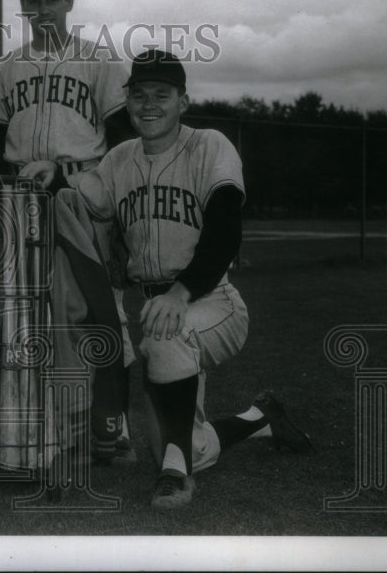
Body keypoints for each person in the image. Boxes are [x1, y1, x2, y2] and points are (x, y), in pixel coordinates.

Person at [36, 49, 313, 509]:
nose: (149, 104)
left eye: (161, 95)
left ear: (183, 101)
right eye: (139, 95)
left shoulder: (210, 145)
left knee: (166, 350)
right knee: (187, 446)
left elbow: (226, 231)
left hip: (212, 300)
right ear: (127, 103)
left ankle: (177, 481)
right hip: (155, 306)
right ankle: (261, 417)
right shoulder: (120, 158)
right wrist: (52, 179)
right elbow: (84, 200)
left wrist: (181, 294)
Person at [0, 0, 135, 462]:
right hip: (23, 201)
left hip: (81, 193)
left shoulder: (100, 62)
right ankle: (57, 426)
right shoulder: (8, 69)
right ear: (22, 5)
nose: (43, 9)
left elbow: (124, 142)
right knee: (34, 316)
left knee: (98, 310)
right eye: (33, 0)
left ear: (69, 1)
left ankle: (115, 424)